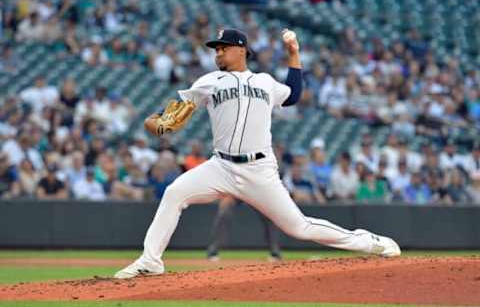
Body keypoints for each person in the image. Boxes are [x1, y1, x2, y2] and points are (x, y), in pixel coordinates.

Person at [115, 28, 400, 279]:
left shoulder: (265, 82)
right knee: (174, 193)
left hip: (259, 170)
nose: (218, 52)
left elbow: (295, 94)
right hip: (220, 166)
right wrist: (158, 121)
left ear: (241, 50)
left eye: (223, 47)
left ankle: (368, 241)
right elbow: (174, 109)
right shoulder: (209, 81)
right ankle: (151, 261)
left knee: (299, 227)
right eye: (216, 48)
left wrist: (294, 54)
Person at [206, 196, 282, 262]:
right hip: (237, 189)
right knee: (224, 212)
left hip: (255, 189)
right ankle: (213, 251)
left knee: (268, 215)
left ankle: (275, 252)